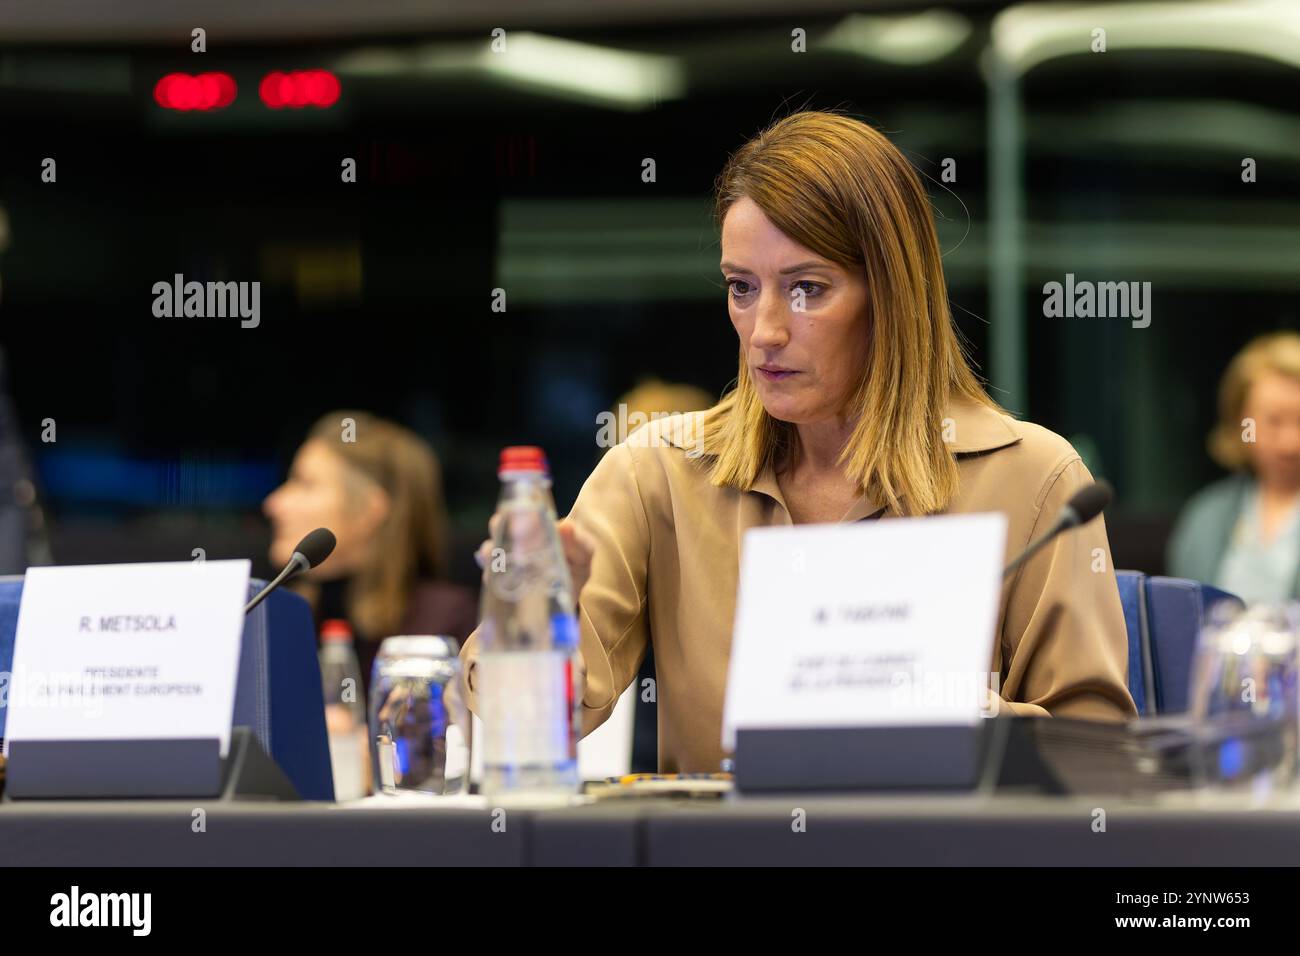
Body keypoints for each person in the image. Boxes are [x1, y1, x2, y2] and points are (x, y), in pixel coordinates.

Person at [460, 110, 1136, 774]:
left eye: (807, 289)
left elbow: (1104, 757)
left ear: (892, 297)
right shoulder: (658, 470)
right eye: (742, 289)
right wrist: (527, 622)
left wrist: (967, 723)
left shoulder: (1036, 479)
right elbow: (548, 727)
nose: (765, 332)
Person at [264, 411, 478, 690]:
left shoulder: (446, 625)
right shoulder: (278, 614)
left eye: (305, 484)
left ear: (370, 510)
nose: (274, 504)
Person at [1168, 332, 1300, 602]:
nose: (1290, 442)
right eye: (1274, 421)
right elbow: (1183, 618)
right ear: (1240, 422)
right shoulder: (1205, 515)